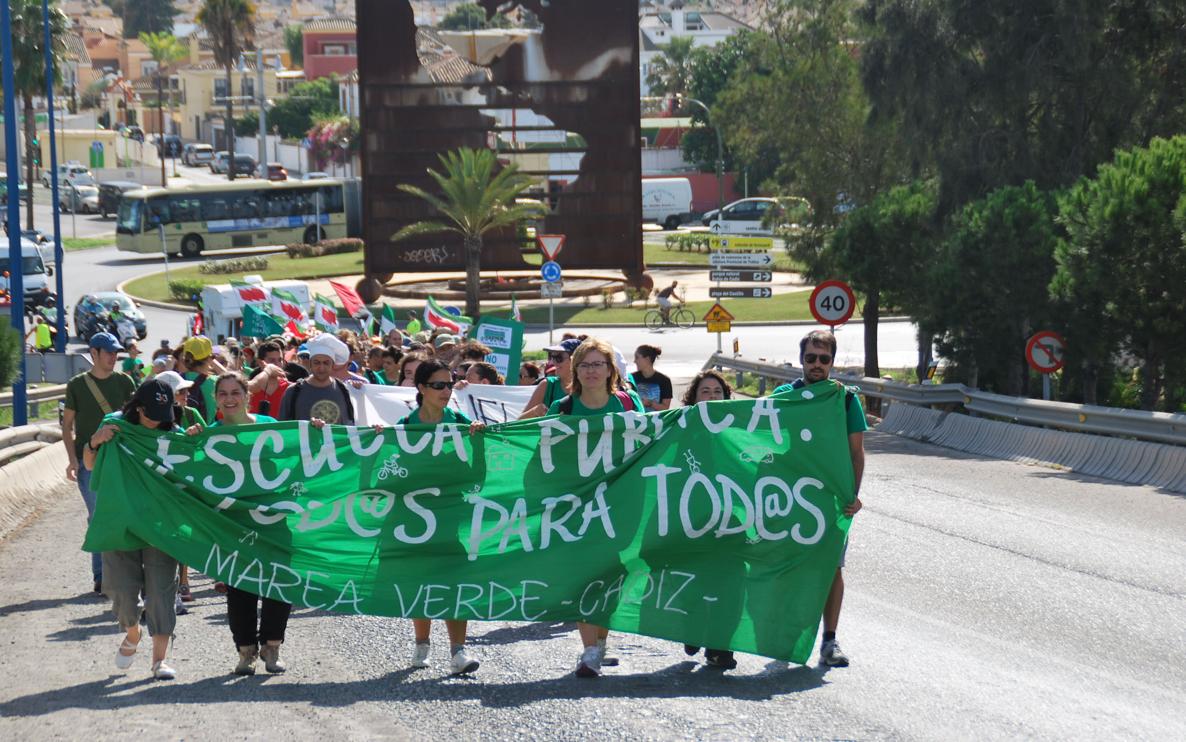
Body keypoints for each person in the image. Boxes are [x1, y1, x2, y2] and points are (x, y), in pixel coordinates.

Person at [547, 338, 644, 678]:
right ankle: (589, 651)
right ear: (575, 370)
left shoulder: (626, 403)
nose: (591, 371)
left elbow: (649, 445)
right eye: (584, 365)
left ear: (609, 370)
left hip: (619, 505)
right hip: (577, 507)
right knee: (584, 574)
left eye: (597, 365)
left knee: (611, 574)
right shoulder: (563, 407)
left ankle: (600, 642)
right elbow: (541, 450)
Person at [771, 329, 866, 668]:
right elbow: (763, 437)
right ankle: (783, 635)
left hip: (829, 500)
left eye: (824, 359)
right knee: (787, 566)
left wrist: (853, 495)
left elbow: (856, 452)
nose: (817, 364)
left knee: (831, 568)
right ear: (801, 360)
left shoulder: (844, 400)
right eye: (810, 358)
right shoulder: (784, 395)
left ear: (832, 362)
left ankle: (829, 641)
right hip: (788, 497)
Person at [186, 372, 288, 675]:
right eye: (223, 394)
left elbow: (300, 455)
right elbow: (190, 467)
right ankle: (246, 652)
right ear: (216, 399)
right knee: (240, 586)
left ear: (247, 395)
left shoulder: (272, 428)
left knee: (278, 583)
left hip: (274, 518)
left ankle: (272, 647)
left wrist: (317, 430)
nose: (229, 399)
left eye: (235, 392)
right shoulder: (209, 434)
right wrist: (191, 440)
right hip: (233, 522)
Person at [85, 378, 182, 680]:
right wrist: (94, 441)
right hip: (121, 521)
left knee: (162, 591)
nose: (158, 422)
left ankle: (159, 661)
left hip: (160, 524)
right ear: (138, 407)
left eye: (163, 416)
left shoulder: (172, 434)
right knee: (122, 592)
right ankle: (132, 632)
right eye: (152, 414)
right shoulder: (114, 427)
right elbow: (89, 465)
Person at [398, 359, 486, 674]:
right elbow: (392, 473)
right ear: (421, 388)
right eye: (438, 385)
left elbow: (477, 476)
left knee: (454, 583)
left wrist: (478, 444)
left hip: (452, 520)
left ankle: (458, 652)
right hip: (416, 522)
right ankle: (422, 644)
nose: (446, 391)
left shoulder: (462, 422)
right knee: (421, 582)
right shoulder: (403, 427)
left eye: (449, 384)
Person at [62, 332, 137, 593]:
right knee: (98, 515)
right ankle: (101, 575)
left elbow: (136, 419)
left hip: (121, 461)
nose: (113, 357)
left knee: (125, 512)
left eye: (116, 352)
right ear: (93, 353)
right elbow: (67, 426)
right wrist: (72, 460)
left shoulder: (125, 382)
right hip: (89, 460)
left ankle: (124, 573)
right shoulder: (77, 384)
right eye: (108, 352)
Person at [678, 369, 739, 669]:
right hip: (695, 519)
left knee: (732, 585)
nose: (712, 397)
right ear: (694, 397)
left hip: (734, 520)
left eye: (718, 392)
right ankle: (693, 626)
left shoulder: (742, 429)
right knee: (699, 583)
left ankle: (720, 647)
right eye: (705, 392)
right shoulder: (681, 429)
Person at [277, 334, 356, 425]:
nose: (321, 368)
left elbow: (350, 427)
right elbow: (283, 429)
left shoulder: (344, 390)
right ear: (310, 364)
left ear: (333, 365)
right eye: (317, 363)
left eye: (326, 363)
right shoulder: (293, 392)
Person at [519, 338, 579, 418]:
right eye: (552, 357)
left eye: (559, 358)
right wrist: (534, 412)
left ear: (575, 360)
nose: (553, 362)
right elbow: (518, 422)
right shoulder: (547, 385)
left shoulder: (590, 387)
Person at [246, 340, 289, 417]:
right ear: (260, 363)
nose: (277, 364)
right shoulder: (249, 390)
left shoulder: (290, 389)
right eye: (272, 360)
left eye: (280, 360)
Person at [630, 344, 673, 411]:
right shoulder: (631, 378)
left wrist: (650, 404)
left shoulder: (664, 380)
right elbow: (627, 403)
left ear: (647, 359)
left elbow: (665, 408)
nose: (634, 361)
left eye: (637, 357)